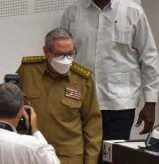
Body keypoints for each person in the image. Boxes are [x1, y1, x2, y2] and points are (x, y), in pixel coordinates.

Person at [61, 0, 159, 141]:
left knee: (112, 157)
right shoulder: (72, 12)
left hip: (119, 104)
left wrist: (150, 103)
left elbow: (149, 57)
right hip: (79, 101)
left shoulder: (133, 12)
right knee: (80, 157)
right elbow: (61, 54)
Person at [17, 28, 102, 164]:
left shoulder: (82, 80)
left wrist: (91, 161)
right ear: (46, 52)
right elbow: (11, 108)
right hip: (31, 153)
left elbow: (92, 124)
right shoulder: (27, 71)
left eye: (70, 54)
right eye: (60, 55)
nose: (66, 60)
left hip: (68, 157)